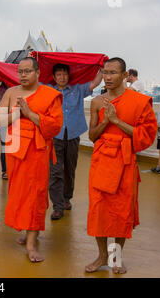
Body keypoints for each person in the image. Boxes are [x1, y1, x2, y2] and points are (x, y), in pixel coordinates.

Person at [85, 57, 157, 274]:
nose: (107, 77)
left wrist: (117, 121)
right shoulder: (98, 102)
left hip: (125, 163)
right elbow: (92, 136)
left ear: (125, 75)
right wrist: (106, 121)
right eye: (105, 72)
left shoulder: (140, 101)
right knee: (99, 210)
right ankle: (101, 256)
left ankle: (116, 258)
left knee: (120, 213)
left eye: (113, 73)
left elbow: (145, 138)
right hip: (101, 161)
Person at [0, 57, 63, 262]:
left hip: (37, 150)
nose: (23, 75)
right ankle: (27, 232)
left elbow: (54, 127)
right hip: (15, 148)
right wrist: (17, 114)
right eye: (20, 72)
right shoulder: (11, 92)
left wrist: (30, 113)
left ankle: (31, 244)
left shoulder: (49, 95)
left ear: (37, 73)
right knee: (18, 192)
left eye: (27, 71)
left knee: (35, 195)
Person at [46, 64, 103, 220]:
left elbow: (95, 83)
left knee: (69, 169)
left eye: (65, 74)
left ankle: (66, 199)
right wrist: (33, 59)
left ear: (68, 76)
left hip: (73, 134)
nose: (62, 77)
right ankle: (57, 206)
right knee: (55, 171)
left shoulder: (77, 89)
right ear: (54, 77)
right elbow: (33, 80)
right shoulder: (48, 90)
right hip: (55, 135)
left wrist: (102, 68)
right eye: (59, 74)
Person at [0, 82, 9, 180]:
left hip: (18, 121)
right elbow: (1, 103)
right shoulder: (1, 88)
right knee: (5, 147)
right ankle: (5, 170)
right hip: (5, 121)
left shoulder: (21, 86)